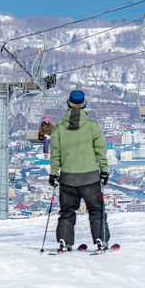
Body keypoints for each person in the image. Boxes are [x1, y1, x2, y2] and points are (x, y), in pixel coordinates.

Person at [48, 90, 111, 251]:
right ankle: (100, 239)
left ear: (68, 103)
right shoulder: (92, 127)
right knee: (96, 210)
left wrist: (54, 173)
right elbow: (100, 150)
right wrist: (104, 170)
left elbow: (55, 153)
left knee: (67, 212)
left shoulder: (59, 128)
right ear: (84, 104)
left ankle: (64, 240)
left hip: (67, 179)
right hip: (90, 178)